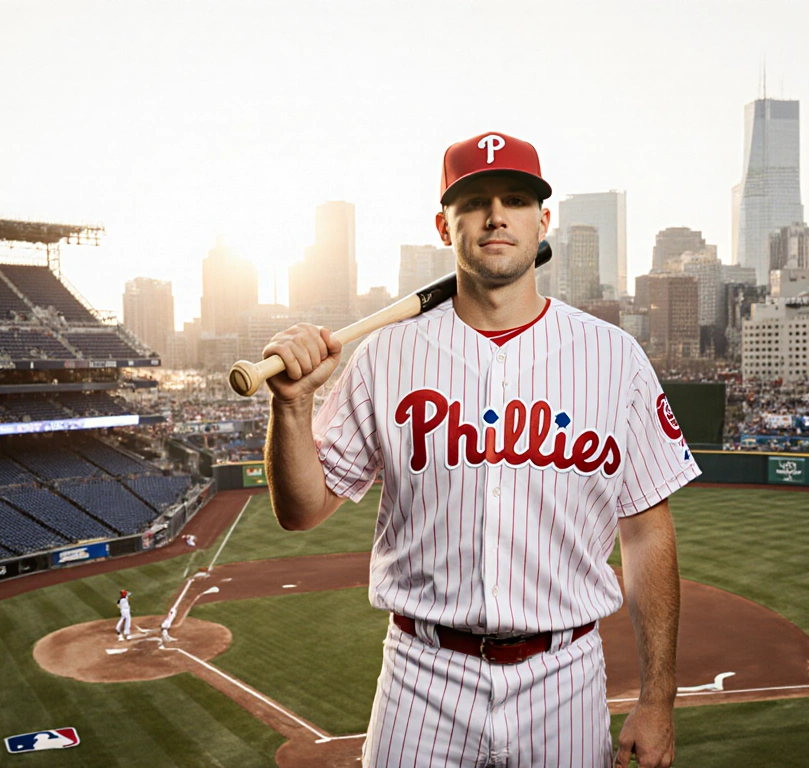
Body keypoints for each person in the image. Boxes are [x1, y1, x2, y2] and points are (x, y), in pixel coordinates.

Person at [263, 131, 696, 768]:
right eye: (476, 202)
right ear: (446, 225)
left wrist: (659, 698)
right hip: (421, 678)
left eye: (516, 199)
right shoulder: (387, 354)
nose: (497, 216)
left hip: (565, 681)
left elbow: (647, 532)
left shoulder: (614, 357)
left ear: (542, 221)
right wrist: (291, 406)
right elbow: (301, 510)